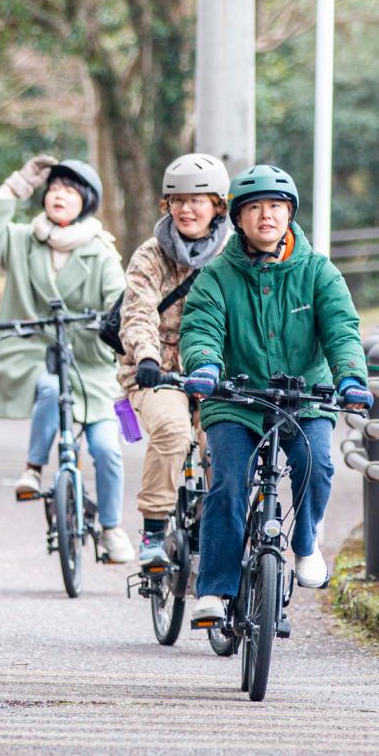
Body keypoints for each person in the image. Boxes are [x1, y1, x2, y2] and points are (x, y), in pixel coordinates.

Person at [177, 165, 373, 627]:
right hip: (235, 398)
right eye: (255, 208)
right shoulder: (216, 276)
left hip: (304, 397)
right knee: (227, 480)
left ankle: (305, 543)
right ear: (238, 219)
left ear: (289, 214)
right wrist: (205, 366)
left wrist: (350, 377)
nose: (267, 216)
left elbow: (342, 331)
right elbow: (201, 327)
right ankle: (215, 590)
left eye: (277, 207)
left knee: (316, 462)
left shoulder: (318, 271)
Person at [0, 153, 134, 563]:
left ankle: (111, 529)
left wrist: (118, 327)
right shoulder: (23, 240)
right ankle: (33, 469)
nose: (59, 195)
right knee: (48, 387)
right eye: (54, 189)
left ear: (86, 201)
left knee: (108, 448)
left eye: (70, 191)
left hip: (91, 363)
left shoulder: (100, 251)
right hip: (34, 352)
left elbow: (122, 300)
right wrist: (17, 184)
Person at [119, 154, 232, 571]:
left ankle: (212, 523)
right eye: (178, 200)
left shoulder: (232, 256)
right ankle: (153, 528)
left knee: (225, 443)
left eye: (198, 200)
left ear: (218, 205)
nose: (187, 209)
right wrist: (147, 356)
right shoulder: (150, 255)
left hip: (217, 372)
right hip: (158, 370)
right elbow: (138, 312)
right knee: (171, 430)